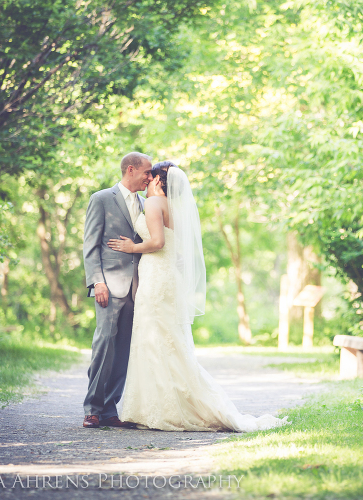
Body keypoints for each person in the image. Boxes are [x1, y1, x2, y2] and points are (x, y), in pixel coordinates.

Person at [107, 161, 288, 432]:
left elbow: (158, 243)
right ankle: (160, 405)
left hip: (157, 277)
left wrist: (132, 247)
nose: (146, 183)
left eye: (150, 178)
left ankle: (157, 409)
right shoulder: (177, 209)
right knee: (166, 340)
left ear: (158, 181)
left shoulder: (155, 205)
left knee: (153, 340)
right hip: (167, 277)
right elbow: (177, 250)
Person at [81, 152, 152, 429]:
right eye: (146, 172)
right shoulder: (101, 199)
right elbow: (91, 244)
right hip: (109, 285)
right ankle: (93, 408)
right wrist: (97, 281)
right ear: (130, 170)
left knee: (124, 350)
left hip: (139, 287)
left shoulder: (147, 204)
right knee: (104, 345)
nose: (149, 177)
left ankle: (111, 409)